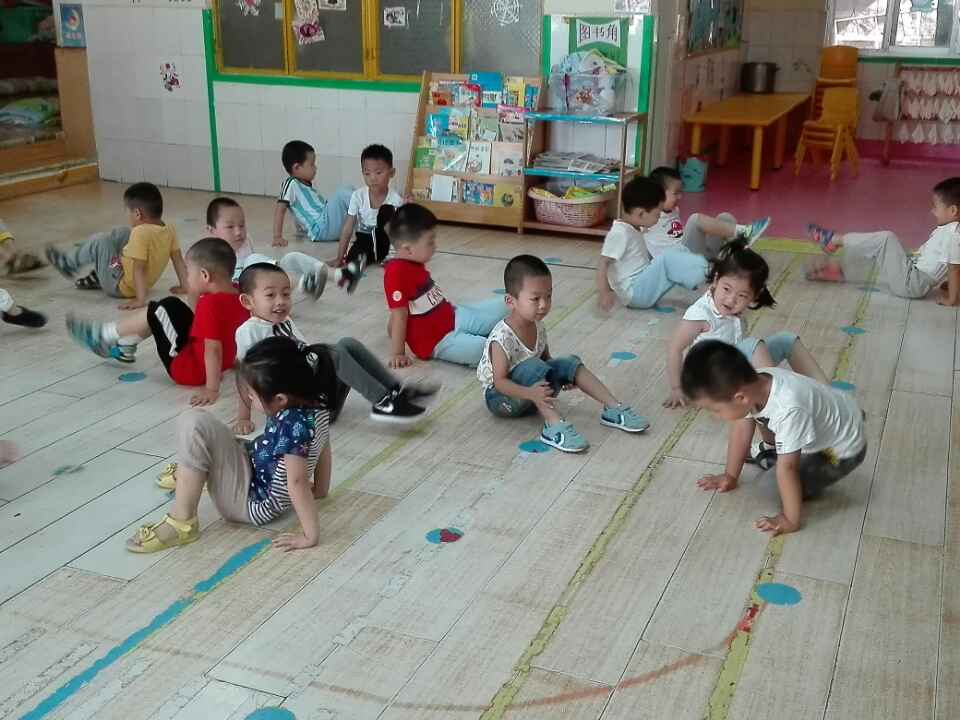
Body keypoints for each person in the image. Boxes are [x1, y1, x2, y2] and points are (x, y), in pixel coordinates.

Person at [127, 337, 336, 553]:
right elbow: (324, 445)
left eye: (252, 395)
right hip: (253, 470)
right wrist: (321, 489)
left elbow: (298, 481)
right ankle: (193, 474)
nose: (250, 399)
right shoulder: (315, 405)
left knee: (194, 422)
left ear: (280, 399)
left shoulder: (293, 426)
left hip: (249, 503)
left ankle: (182, 522)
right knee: (207, 433)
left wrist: (310, 536)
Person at [681, 340, 866, 536]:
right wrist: (730, 476)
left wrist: (790, 519)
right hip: (835, 421)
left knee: (772, 486)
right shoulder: (755, 382)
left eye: (715, 410)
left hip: (841, 451)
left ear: (740, 398)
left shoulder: (788, 408)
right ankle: (789, 453)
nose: (715, 416)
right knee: (781, 469)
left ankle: (805, 475)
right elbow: (742, 429)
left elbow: (788, 468)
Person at [233, 262, 438, 431]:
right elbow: (245, 375)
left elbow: (306, 352)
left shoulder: (284, 321)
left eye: (286, 294)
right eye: (270, 295)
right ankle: (383, 402)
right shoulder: (248, 331)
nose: (281, 301)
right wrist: (243, 417)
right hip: (300, 410)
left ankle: (395, 390)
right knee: (336, 355)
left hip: (318, 397)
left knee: (346, 344)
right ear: (247, 301)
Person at [477, 255, 649, 453]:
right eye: (535, 299)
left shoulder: (538, 325)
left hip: (534, 393)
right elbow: (499, 382)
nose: (543, 304)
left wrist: (565, 375)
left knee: (569, 362)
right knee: (534, 366)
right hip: (503, 399)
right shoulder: (502, 337)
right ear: (511, 301)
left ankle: (614, 408)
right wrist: (530, 393)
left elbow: (547, 361)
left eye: (548, 296)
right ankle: (554, 426)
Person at [64, 237, 248, 407]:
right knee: (173, 306)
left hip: (189, 368)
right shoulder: (240, 295)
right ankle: (126, 343)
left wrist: (212, 389)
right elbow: (208, 323)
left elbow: (213, 349)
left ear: (205, 276)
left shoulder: (210, 304)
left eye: (188, 271)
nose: (186, 277)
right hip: (216, 363)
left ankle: (104, 334)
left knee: (159, 310)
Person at [664, 239, 828, 410]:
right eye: (726, 289)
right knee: (751, 346)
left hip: (733, 374)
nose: (731, 300)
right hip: (711, 383)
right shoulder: (701, 314)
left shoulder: (736, 310)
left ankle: (827, 394)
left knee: (786, 340)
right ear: (716, 280)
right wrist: (676, 388)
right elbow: (675, 348)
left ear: (753, 297)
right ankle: (773, 407)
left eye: (742, 296)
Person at [384, 203, 507, 368]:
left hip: (454, 316)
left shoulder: (413, 260)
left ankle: (498, 334)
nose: (435, 246)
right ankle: (503, 343)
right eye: (430, 242)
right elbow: (399, 313)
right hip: (439, 340)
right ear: (408, 249)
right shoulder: (396, 272)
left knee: (506, 304)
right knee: (484, 349)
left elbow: (400, 308)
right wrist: (398, 353)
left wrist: (391, 330)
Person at [806, 177, 960, 304]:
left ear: (953, 211)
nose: (932, 211)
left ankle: (834, 240)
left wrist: (952, 299)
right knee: (878, 248)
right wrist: (948, 284)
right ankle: (838, 271)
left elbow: (954, 268)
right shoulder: (950, 230)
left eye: (936, 207)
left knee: (886, 239)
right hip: (913, 275)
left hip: (913, 284)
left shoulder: (954, 234)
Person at [45, 182, 188, 308]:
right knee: (123, 233)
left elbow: (139, 268)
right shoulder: (169, 228)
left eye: (128, 211)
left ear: (137, 213)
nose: (128, 215)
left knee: (101, 240)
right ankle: (100, 273)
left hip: (120, 286)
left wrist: (140, 300)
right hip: (138, 282)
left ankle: (68, 264)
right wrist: (185, 286)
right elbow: (178, 260)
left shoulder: (140, 233)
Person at [206, 196, 363, 297]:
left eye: (242, 225)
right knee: (253, 260)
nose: (238, 232)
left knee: (292, 257)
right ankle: (304, 284)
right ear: (212, 231)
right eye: (230, 227)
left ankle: (340, 276)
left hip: (265, 286)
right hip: (247, 297)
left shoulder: (246, 241)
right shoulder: (210, 256)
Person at [597, 177, 709, 311]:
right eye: (657, 214)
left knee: (677, 251)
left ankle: (702, 280)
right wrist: (604, 292)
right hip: (634, 293)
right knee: (668, 258)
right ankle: (707, 279)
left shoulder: (634, 227)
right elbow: (603, 262)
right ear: (641, 214)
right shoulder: (619, 233)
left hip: (641, 286)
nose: (659, 217)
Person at [646, 167, 770, 259]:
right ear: (658, 193)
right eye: (676, 193)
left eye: (680, 192)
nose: (680, 197)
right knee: (695, 220)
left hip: (694, 256)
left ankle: (737, 255)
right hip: (678, 262)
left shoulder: (674, 210)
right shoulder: (647, 215)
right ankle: (744, 233)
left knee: (725, 218)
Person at [335, 143, 404, 268]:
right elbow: (348, 228)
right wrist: (340, 257)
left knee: (387, 210)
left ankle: (388, 256)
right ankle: (370, 257)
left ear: (391, 173)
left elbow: (400, 232)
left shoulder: (396, 200)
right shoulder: (358, 196)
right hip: (364, 241)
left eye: (378, 173)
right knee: (352, 261)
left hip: (385, 242)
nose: (372, 178)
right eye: (367, 173)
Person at [274, 140, 353, 246]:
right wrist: (277, 237)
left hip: (327, 226)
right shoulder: (291, 183)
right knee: (341, 194)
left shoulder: (307, 187)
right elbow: (280, 209)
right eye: (312, 164)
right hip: (320, 229)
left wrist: (301, 229)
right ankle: (369, 207)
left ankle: (366, 223)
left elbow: (302, 212)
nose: (315, 168)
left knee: (348, 188)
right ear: (297, 167)